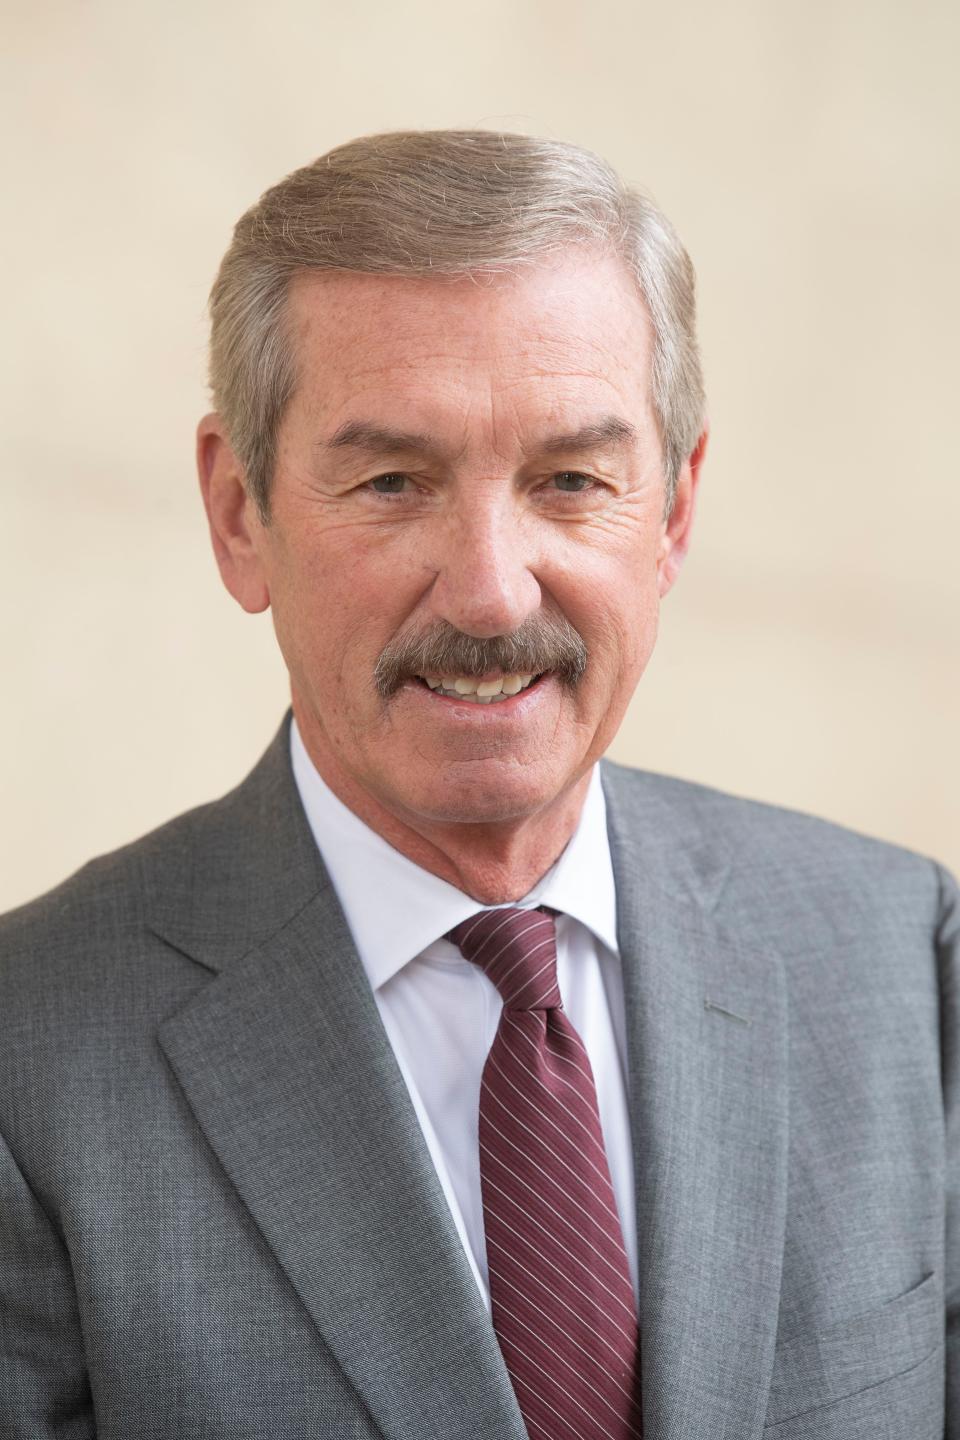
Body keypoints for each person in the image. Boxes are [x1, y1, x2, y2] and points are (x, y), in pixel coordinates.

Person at [0, 129, 956, 1440]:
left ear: (673, 511)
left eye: (572, 481)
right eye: (392, 483)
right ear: (240, 515)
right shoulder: (28, 1063)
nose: (493, 589)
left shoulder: (907, 961)